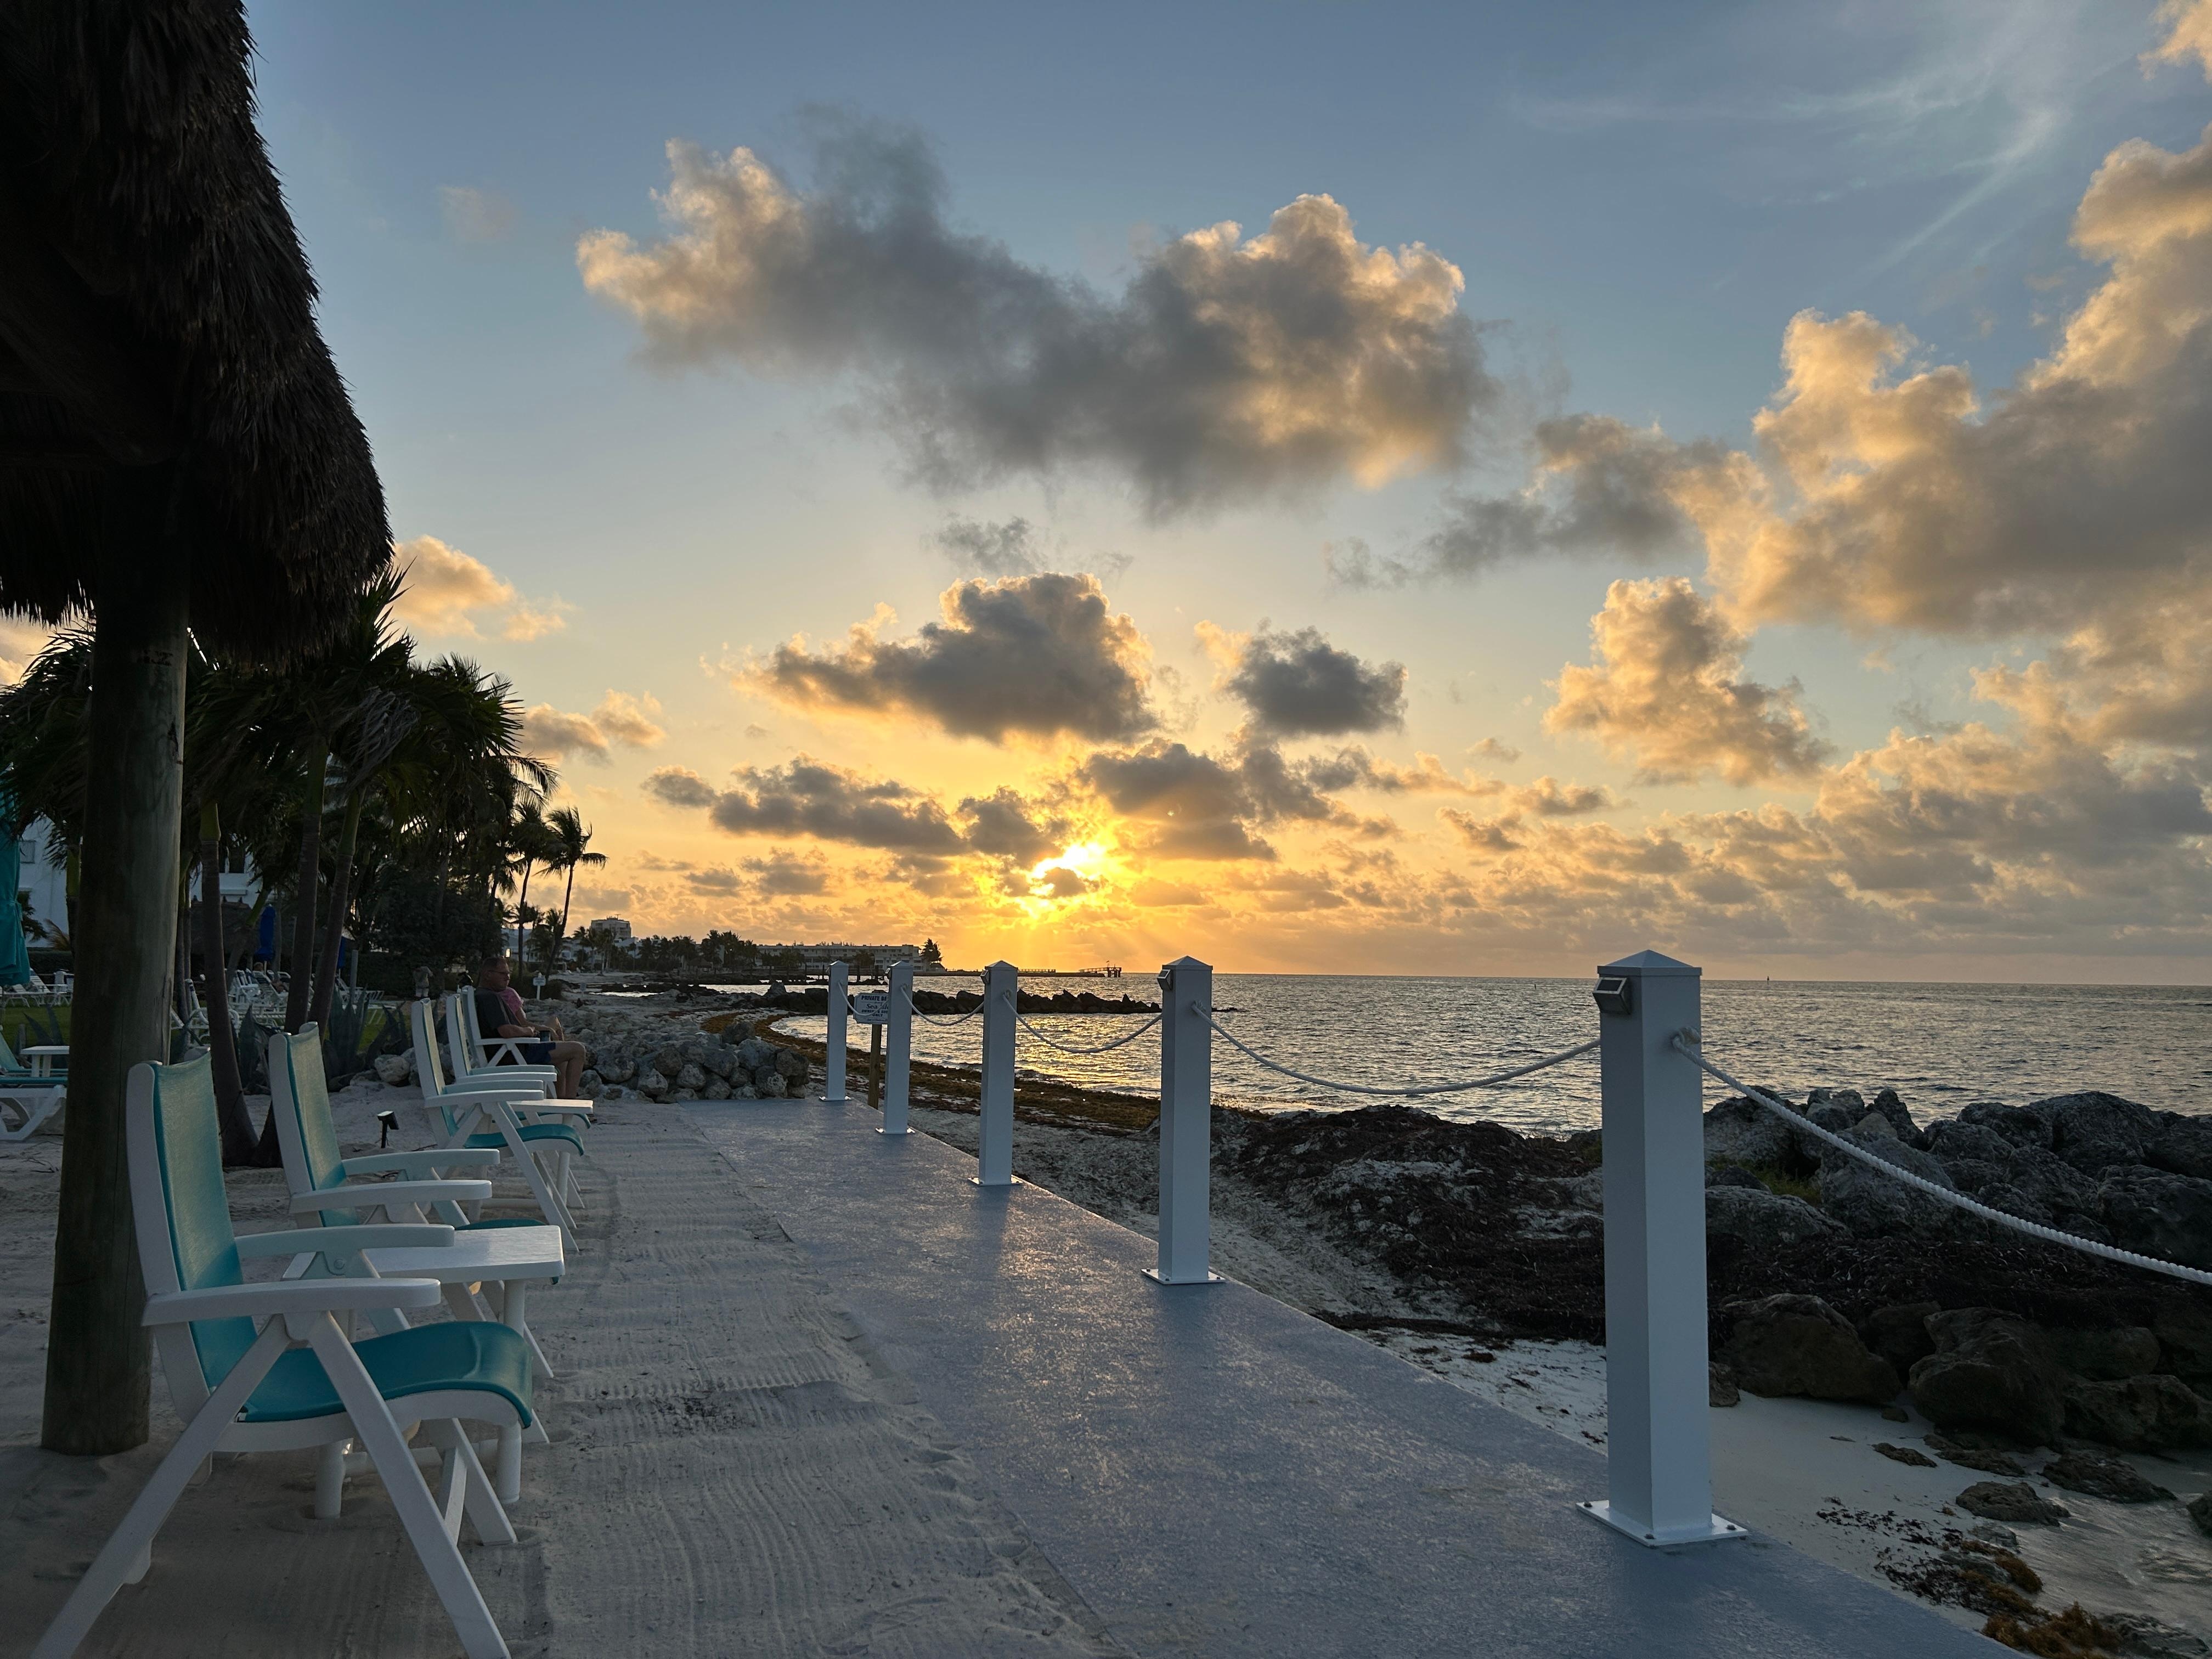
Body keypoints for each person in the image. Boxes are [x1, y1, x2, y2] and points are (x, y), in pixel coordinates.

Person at [473, 956, 588, 1097]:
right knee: (578, 1050)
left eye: (509, 974)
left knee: (563, 1050)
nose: (508, 978)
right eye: (503, 974)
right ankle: (571, 1104)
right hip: (515, 1054)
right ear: (488, 975)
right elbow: (506, 1031)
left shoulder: (483, 995)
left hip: (510, 1051)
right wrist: (528, 1031)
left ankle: (561, 1099)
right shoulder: (490, 998)